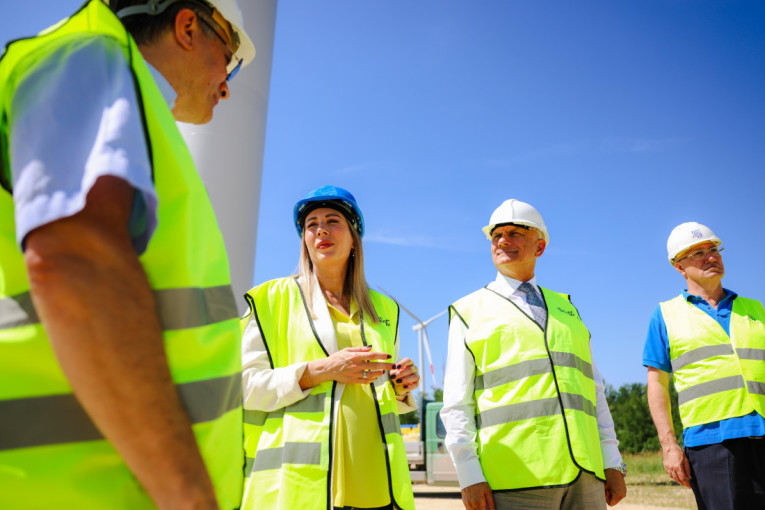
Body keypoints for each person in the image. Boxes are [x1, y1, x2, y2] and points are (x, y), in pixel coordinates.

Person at [0, 1, 255, 508]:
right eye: (228, 60)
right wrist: (190, 497)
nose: (227, 86)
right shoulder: (91, 57)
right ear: (188, 27)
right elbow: (76, 262)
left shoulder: (136, 115)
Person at [441, 199, 627, 510]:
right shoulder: (468, 311)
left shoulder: (568, 309)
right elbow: (457, 403)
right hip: (513, 477)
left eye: (515, 233)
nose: (503, 241)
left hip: (586, 475)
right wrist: (468, 473)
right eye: (496, 235)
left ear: (539, 246)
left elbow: (594, 392)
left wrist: (612, 460)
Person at [240, 185, 419, 510]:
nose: (321, 230)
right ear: (305, 241)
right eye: (312, 225)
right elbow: (243, 388)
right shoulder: (271, 300)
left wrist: (401, 386)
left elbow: (378, 391)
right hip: (300, 487)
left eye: (332, 221)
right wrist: (320, 370)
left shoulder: (385, 309)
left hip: (377, 484)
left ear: (354, 238)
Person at [644, 222, 765, 509]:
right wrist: (669, 446)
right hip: (710, 443)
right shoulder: (665, 315)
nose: (711, 257)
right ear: (679, 266)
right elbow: (657, 384)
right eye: (698, 253)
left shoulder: (756, 309)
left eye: (714, 250)